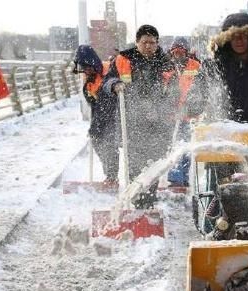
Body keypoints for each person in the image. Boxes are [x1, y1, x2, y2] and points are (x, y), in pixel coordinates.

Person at [103, 24, 176, 208]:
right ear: (137, 42)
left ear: (157, 43)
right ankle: (136, 201)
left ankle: (149, 202)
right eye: (145, 42)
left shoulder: (166, 61)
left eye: (152, 42)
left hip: (158, 123)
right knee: (134, 164)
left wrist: (165, 106)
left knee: (154, 163)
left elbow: (174, 89)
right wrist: (115, 84)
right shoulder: (123, 59)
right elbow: (107, 80)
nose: (149, 46)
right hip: (132, 122)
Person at [186, 12, 248, 124]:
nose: (239, 40)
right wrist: (195, 102)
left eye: (244, 35)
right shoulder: (212, 68)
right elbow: (195, 94)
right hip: (218, 136)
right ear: (226, 39)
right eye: (234, 36)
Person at [73, 45, 119, 186]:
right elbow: (94, 105)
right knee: (97, 140)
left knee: (109, 143)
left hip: (116, 112)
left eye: (87, 67)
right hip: (101, 115)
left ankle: (113, 177)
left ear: (93, 62)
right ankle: (111, 175)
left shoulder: (108, 69)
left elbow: (113, 82)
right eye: (83, 68)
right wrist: (94, 127)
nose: (86, 71)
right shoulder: (88, 81)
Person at [164, 37, 201, 187]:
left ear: (186, 52)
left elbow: (201, 88)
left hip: (190, 116)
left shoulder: (196, 66)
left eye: (181, 52)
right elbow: (163, 90)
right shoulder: (167, 68)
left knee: (185, 148)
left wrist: (191, 103)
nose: (178, 55)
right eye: (175, 52)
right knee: (174, 146)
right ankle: (175, 178)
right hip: (173, 116)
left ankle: (182, 178)